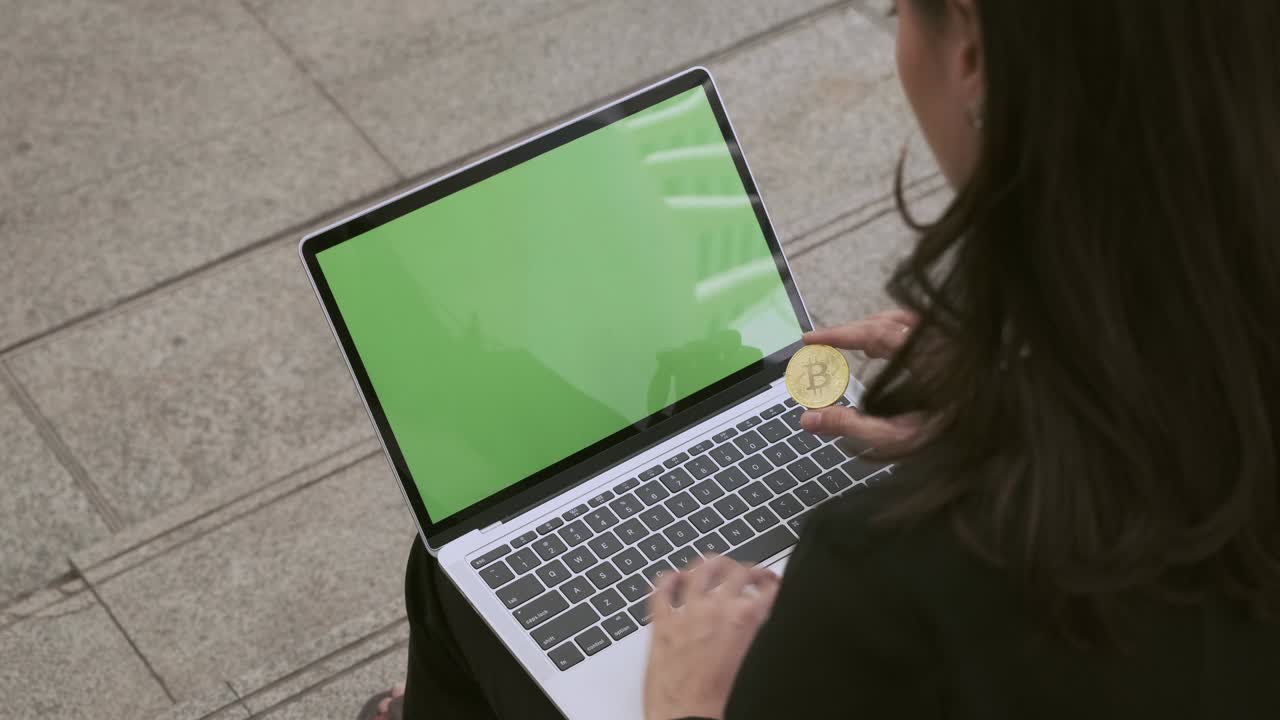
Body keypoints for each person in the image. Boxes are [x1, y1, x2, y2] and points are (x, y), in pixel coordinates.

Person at [361, 0, 1280, 717]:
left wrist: (687, 700)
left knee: (447, 577)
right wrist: (1018, 404)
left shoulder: (881, 583)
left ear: (970, 50)